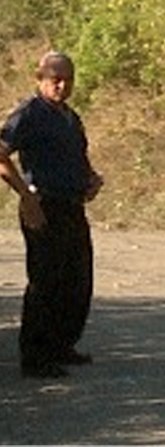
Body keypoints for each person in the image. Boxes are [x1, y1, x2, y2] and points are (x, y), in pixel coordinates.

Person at [0, 51, 104, 378]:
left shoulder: (71, 118)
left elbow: (78, 159)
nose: (61, 85)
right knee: (45, 281)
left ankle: (61, 345)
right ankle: (35, 357)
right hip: (42, 206)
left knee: (76, 279)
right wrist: (25, 196)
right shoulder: (29, 113)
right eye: (55, 78)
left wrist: (90, 180)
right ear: (40, 79)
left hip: (71, 206)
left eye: (67, 79)